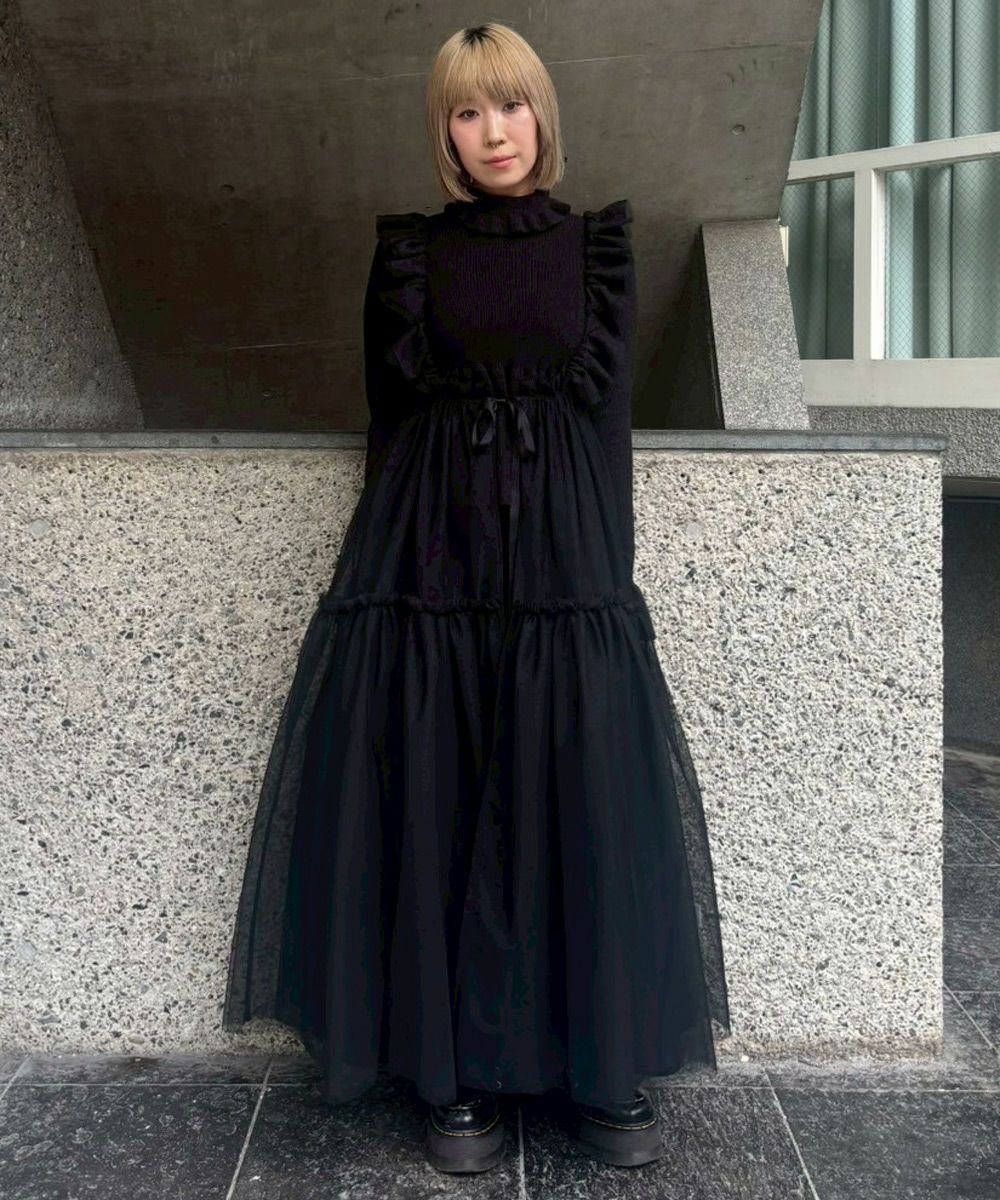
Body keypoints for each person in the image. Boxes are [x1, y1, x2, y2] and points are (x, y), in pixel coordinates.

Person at [222, 19, 730, 1175]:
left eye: (508, 103)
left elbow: (607, 433)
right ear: (444, 132)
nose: (492, 130)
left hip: (564, 570)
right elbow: (388, 430)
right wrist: (388, 584)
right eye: (465, 110)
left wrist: (599, 582)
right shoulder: (408, 257)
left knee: (576, 801)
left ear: (541, 114)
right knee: (441, 799)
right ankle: (452, 1075)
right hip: (431, 567)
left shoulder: (598, 251)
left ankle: (598, 1062)